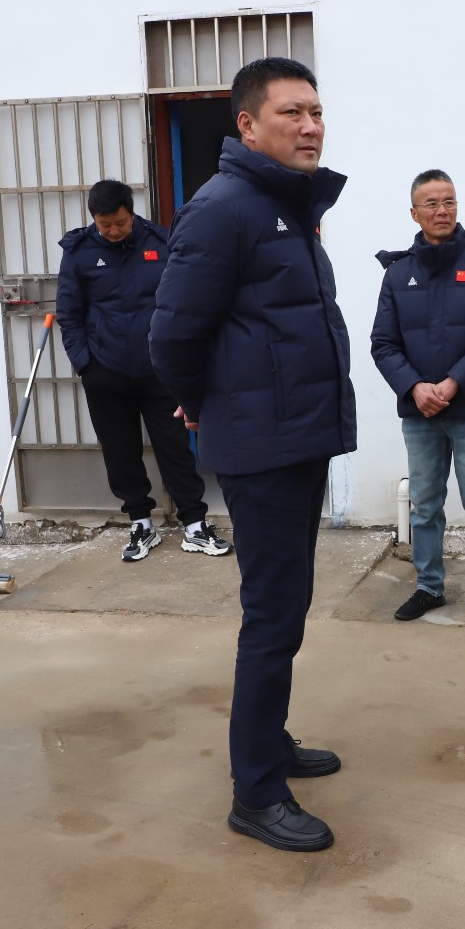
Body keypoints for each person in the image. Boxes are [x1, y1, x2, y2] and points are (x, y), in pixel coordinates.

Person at [149, 57, 353, 853]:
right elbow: (172, 335)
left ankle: (270, 740)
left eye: (316, 111)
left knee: (287, 606)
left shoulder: (282, 205)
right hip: (262, 445)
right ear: (248, 125)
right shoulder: (224, 209)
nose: (310, 126)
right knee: (271, 616)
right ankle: (256, 792)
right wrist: (203, 402)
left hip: (295, 435)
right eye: (291, 113)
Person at [371, 170, 465, 629]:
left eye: (449, 201)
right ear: (414, 213)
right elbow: (383, 344)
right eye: (431, 203)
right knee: (425, 505)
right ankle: (429, 587)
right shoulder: (398, 273)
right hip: (420, 413)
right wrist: (415, 387)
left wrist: (453, 383)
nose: (442, 211)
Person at [54, 179, 230, 563]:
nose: (114, 231)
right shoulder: (79, 253)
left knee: (175, 447)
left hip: (158, 371)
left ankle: (194, 524)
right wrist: (86, 364)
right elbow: (69, 313)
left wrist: (181, 356)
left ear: (131, 213)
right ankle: (141, 523)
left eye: (120, 223)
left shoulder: (160, 243)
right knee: (120, 451)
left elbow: (181, 300)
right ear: (94, 220)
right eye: (105, 225)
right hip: (106, 371)